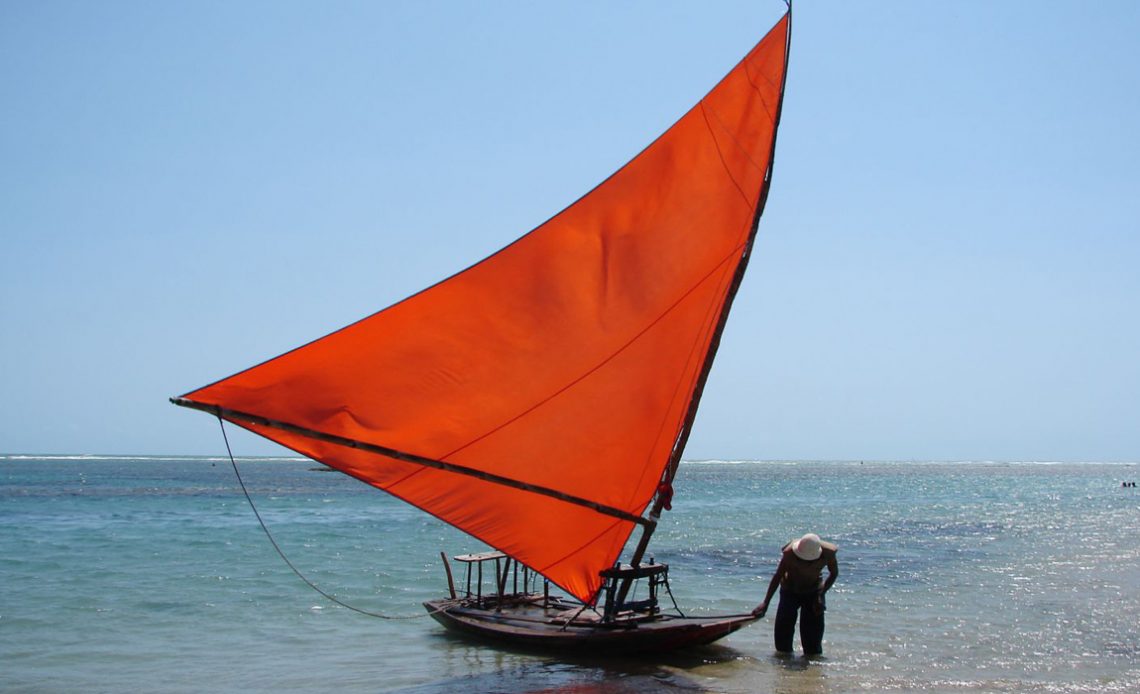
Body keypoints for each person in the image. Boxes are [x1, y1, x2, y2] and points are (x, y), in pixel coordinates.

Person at [753, 532, 838, 656]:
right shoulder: (789, 554)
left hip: (813, 592)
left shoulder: (828, 553)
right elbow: (777, 576)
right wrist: (765, 603)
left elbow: (834, 573)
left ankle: (811, 672)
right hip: (790, 591)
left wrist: (821, 594)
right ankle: (784, 670)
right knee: (782, 643)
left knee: (813, 647)